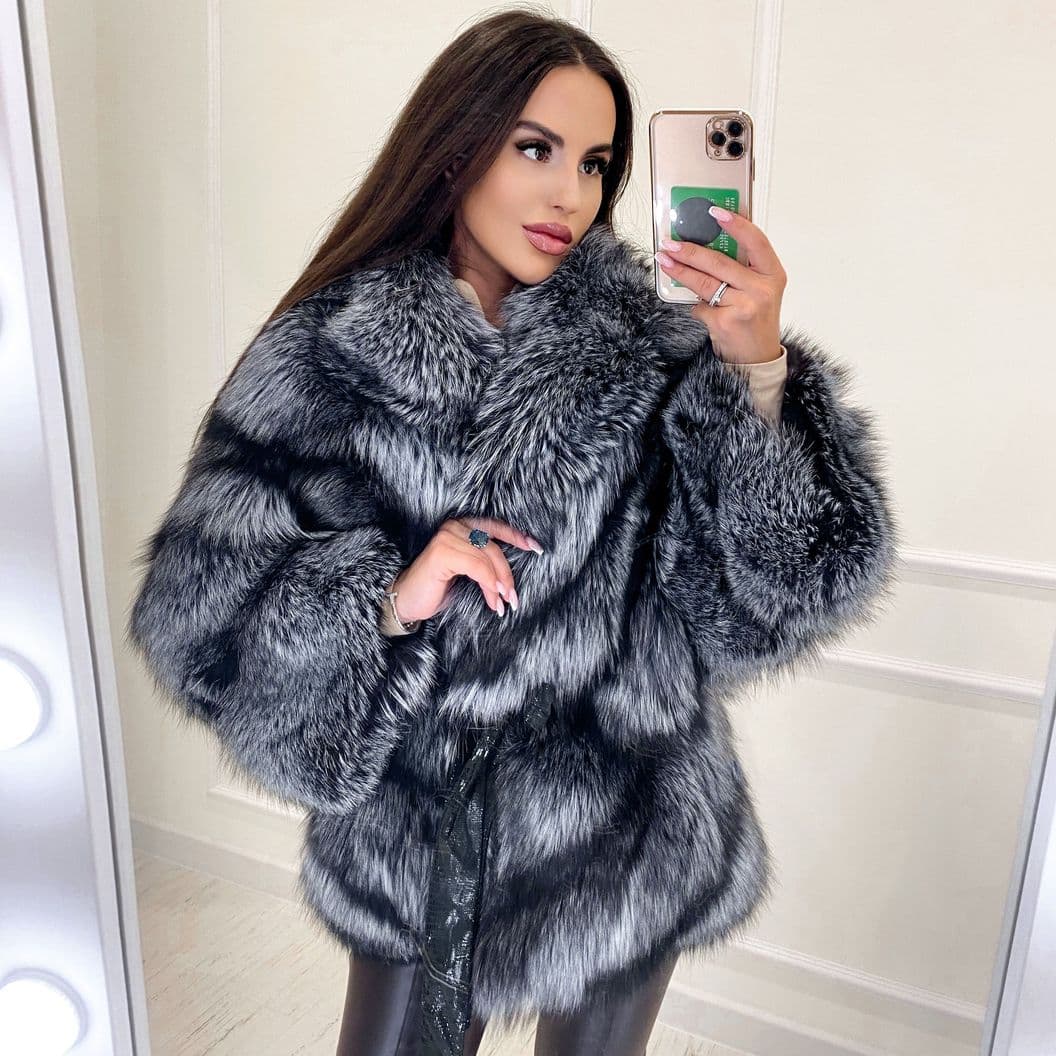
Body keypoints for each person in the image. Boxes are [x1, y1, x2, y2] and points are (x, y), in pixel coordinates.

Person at [126, 8, 900, 1055]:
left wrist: (754, 367)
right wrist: (385, 595)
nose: (570, 195)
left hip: (629, 834)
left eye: (595, 164)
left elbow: (771, 604)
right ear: (456, 146)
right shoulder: (326, 353)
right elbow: (197, 621)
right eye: (536, 149)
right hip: (417, 840)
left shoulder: (658, 349)